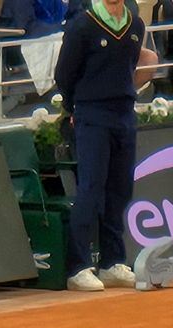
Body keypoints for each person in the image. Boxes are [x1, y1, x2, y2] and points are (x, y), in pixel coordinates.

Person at [54, 0, 156, 291]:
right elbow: (64, 75)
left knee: (120, 188)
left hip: (124, 114)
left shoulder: (135, 25)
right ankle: (79, 267)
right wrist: (78, 107)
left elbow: (130, 66)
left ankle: (112, 263)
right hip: (91, 114)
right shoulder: (82, 25)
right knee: (91, 189)